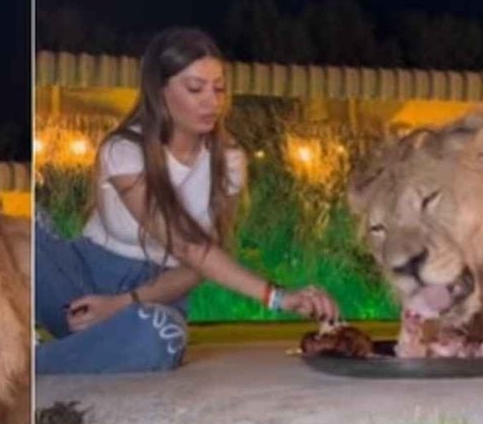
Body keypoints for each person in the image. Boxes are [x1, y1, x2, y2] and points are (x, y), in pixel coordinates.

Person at [36, 28, 339, 374]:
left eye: (219, 88)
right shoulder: (123, 150)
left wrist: (120, 305)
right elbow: (186, 245)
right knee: (22, 230)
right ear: (160, 91)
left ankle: (32, 367)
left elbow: (198, 263)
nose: (212, 100)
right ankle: (86, 350)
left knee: (160, 336)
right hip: (78, 286)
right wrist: (279, 297)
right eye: (196, 88)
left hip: (154, 300)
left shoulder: (229, 161)